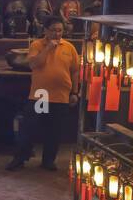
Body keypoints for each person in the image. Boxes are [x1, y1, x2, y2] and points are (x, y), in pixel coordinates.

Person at [6, 15, 80, 172]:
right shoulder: (37, 45)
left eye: (60, 31)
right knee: (30, 127)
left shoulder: (69, 48)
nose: (57, 34)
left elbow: (75, 71)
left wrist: (75, 92)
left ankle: (48, 160)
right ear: (46, 30)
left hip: (61, 95)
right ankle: (20, 158)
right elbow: (34, 64)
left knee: (55, 130)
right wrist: (48, 48)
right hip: (41, 94)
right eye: (53, 30)